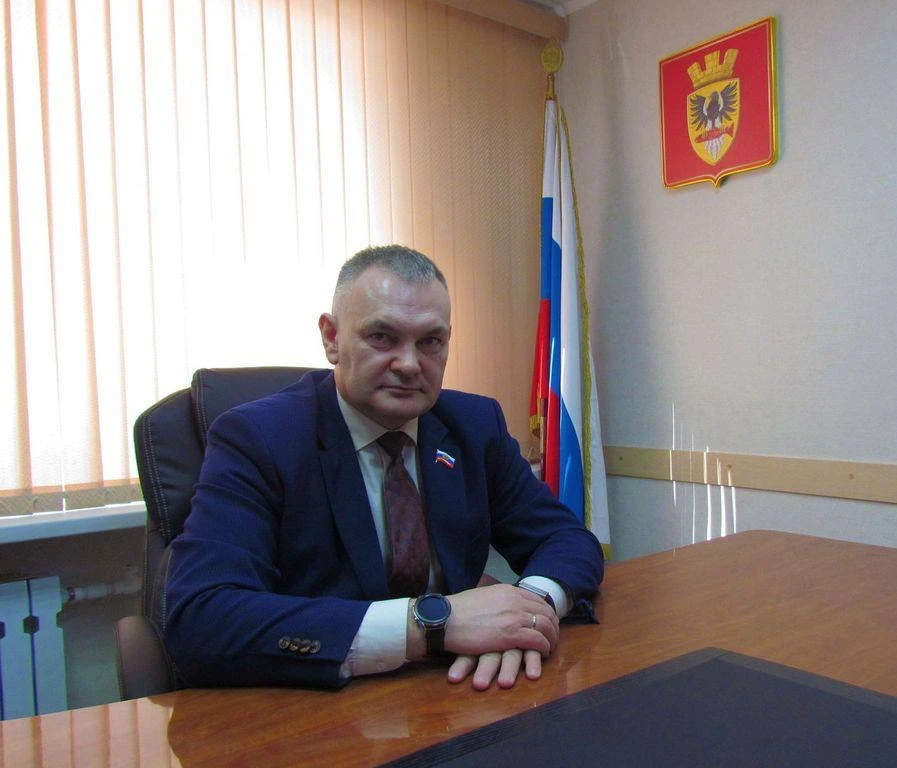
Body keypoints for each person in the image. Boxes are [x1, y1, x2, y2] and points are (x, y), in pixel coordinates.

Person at [164, 245, 604, 691]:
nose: (410, 364)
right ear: (332, 338)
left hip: (453, 688)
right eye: (382, 337)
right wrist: (434, 624)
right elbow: (201, 617)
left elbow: (566, 539)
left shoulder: (473, 425)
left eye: (430, 341)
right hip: (315, 700)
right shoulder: (258, 438)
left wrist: (526, 612)